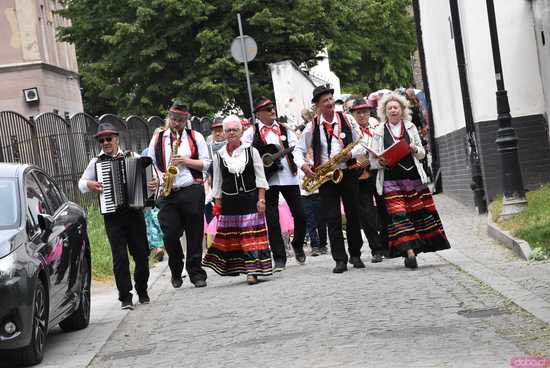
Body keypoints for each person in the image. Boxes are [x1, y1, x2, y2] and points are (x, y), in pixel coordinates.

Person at [369, 93, 450, 268]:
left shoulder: (411, 127)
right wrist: (379, 161)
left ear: (402, 110)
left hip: (413, 179)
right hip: (390, 180)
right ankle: (409, 252)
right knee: (399, 215)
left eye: (395, 107)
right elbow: (373, 160)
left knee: (417, 215)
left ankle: (414, 249)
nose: (392, 110)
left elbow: (422, 153)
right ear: (384, 111)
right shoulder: (378, 131)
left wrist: (414, 148)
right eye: (389, 108)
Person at [79, 123, 150, 309]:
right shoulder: (96, 162)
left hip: (134, 213)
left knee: (142, 254)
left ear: (116, 138)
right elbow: (81, 183)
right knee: (120, 258)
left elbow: (149, 177)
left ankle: (142, 290)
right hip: (112, 216)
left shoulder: (132, 156)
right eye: (101, 140)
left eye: (108, 138)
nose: (105, 142)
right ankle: (125, 297)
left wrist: (150, 185)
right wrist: (90, 185)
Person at [296, 84, 365, 273]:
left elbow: (362, 142)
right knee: (332, 218)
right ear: (317, 105)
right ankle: (339, 259)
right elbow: (298, 150)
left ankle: (356, 254)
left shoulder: (347, 119)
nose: (330, 103)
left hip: (348, 171)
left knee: (353, 215)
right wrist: (304, 166)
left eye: (331, 99)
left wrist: (349, 156)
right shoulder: (312, 126)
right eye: (325, 101)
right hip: (327, 176)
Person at [202, 115, 272, 285]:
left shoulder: (251, 151)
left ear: (241, 132)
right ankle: (239, 268)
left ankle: (252, 272)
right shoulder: (219, 156)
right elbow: (217, 184)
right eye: (228, 130)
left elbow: (260, 178)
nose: (231, 133)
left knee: (250, 238)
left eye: (234, 130)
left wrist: (261, 200)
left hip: (250, 200)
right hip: (229, 204)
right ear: (224, 134)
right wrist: (217, 208)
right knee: (234, 240)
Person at [148, 100, 210, 288]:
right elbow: (151, 163)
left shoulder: (195, 137)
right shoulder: (158, 138)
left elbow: (207, 163)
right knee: (170, 233)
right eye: (174, 119)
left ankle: (196, 272)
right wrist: (156, 181)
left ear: (186, 120)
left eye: (181, 120)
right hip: (168, 192)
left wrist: (185, 161)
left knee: (194, 233)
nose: (176, 124)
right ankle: (176, 268)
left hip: (191, 188)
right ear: (169, 118)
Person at [242, 96, 307, 271]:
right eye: (268, 109)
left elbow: (298, 148)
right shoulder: (250, 134)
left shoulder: (285, 129)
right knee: (272, 220)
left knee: (301, 215)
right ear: (259, 114)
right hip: (266, 180)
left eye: (273, 108)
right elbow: (246, 156)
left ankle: (298, 243)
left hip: (289, 177)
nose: (273, 111)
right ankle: (279, 258)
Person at [350, 98, 385, 263]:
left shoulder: (378, 127)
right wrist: (356, 161)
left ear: (370, 112)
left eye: (365, 111)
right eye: (358, 112)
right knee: (367, 214)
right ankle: (376, 249)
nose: (362, 114)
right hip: (360, 176)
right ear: (353, 114)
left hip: (379, 173)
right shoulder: (350, 130)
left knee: (385, 210)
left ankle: (387, 244)